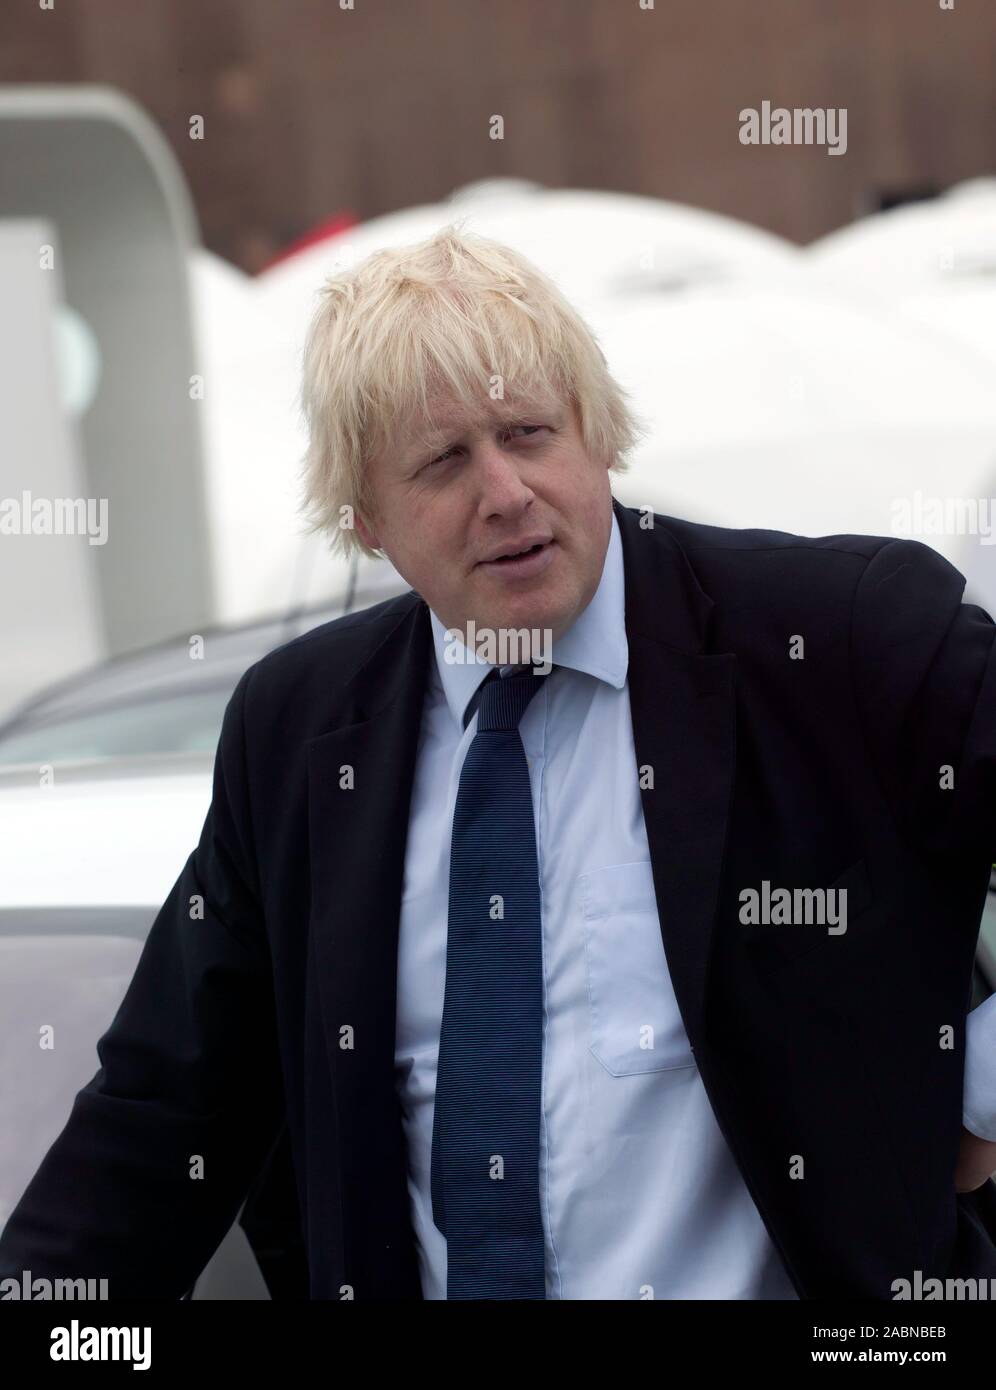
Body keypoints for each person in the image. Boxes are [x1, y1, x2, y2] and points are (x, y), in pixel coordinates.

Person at [2, 227, 995, 1300]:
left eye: (529, 432)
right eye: (443, 461)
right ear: (366, 520)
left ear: (597, 433)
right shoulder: (295, 735)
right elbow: (163, 1109)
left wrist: (974, 1087)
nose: (508, 491)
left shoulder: (836, 641)